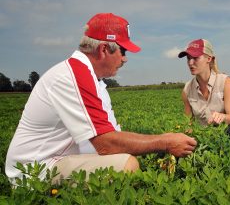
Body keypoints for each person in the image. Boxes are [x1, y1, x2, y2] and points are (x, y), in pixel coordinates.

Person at [5, 13, 197, 184]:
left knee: (124, 157)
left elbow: (112, 136)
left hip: (57, 159)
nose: (125, 59)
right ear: (104, 49)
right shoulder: (74, 76)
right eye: (123, 51)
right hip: (35, 171)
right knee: (127, 165)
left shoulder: (93, 79)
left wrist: (162, 140)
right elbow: (107, 144)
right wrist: (164, 142)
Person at [178, 39, 230, 138]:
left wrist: (223, 117)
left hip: (224, 134)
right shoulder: (187, 90)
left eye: (195, 57)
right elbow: (188, 123)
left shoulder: (225, 81)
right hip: (203, 137)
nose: (190, 62)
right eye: (188, 58)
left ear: (209, 58)